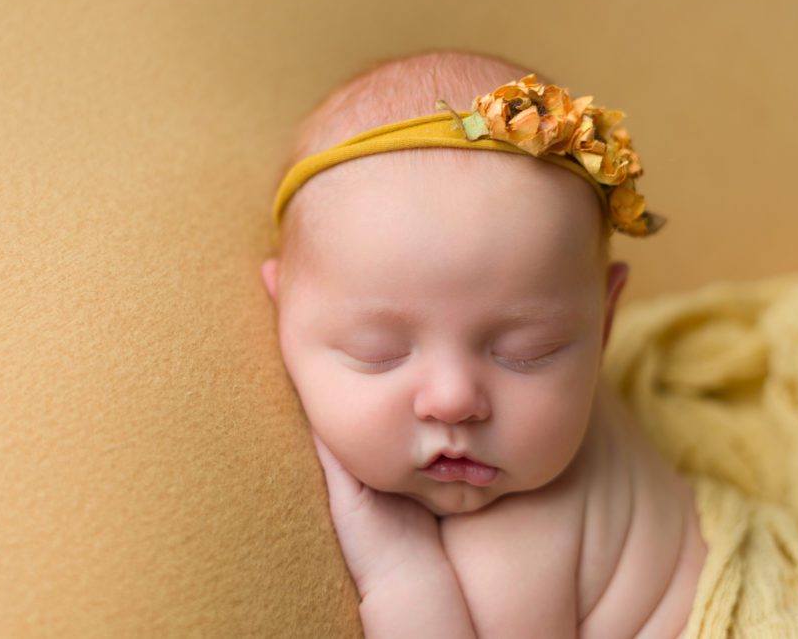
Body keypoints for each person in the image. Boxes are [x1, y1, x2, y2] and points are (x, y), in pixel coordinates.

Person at [259, 50, 708, 638]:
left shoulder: (514, 550)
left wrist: (400, 572)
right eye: (379, 352)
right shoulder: (548, 429)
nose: (453, 400)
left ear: (604, 323)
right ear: (280, 303)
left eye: (528, 351)